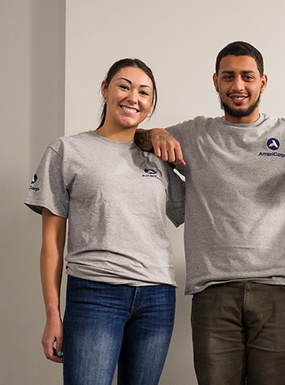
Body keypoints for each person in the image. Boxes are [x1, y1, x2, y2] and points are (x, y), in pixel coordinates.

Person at [133, 41, 285, 385]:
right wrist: (156, 132)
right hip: (212, 291)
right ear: (216, 81)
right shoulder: (195, 132)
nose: (238, 86)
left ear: (262, 82)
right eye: (229, 77)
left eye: (247, 77)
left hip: (276, 291)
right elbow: (139, 139)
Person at [25, 58, 185, 385]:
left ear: (151, 105)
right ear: (105, 89)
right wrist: (53, 315)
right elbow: (52, 244)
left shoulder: (157, 158)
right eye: (124, 86)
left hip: (156, 298)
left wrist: (160, 135)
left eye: (144, 92)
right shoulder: (67, 151)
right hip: (95, 294)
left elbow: (197, 209)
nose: (133, 97)